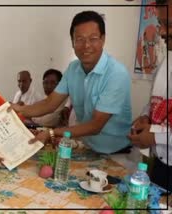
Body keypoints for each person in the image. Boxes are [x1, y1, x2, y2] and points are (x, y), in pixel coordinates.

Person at [11, 11, 133, 156]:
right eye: (79, 39)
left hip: (117, 155)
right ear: (72, 42)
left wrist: (52, 133)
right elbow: (50, 103)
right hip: (89, 150)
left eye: (93, 38)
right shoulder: (73, 68)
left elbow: (96, 125)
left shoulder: (116, 73)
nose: (86, 45)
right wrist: (19, 109)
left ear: (103, 40)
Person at [128, 0, 172, 191]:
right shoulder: (166, 60)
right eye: (161, 24)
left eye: (169, 24)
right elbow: (155, 102)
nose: (162, 32)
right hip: (162, 166)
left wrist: (155, 137)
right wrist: (146, 116)